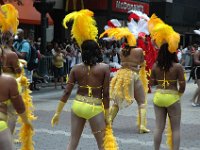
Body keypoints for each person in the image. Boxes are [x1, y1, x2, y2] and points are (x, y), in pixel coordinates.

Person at [51, 9, 118, 150]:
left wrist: (57, 113)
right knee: (103, 145)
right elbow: (105, 94)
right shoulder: (104, 68)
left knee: (72, 142)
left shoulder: (75, 68)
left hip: (77, 105)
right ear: (96, 51)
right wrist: (107, 115)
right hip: (94, 107)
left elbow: (66, 92)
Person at [100, 27, 150, 134]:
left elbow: (125, 63)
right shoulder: (139, 50)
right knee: (142, 102)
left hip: (122, 75)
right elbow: (142, 63)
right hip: (133, 76)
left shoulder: (122, 51)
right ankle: (142, 126)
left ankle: (109, 122)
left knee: (117, 102)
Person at [148, 14, 186, 150]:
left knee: (158, 127)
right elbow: (182, 85)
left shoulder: (155, 66)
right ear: (172, 51)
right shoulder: (177, 67)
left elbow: (151, 83)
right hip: (172, 96)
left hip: (158, 96)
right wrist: (179, 94)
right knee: (175, 129)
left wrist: (157, 82)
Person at [0, 46, 33, 150]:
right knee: (12, 114)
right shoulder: (8, 81)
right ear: (2, 59)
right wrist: (27, 122)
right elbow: (20, 108)